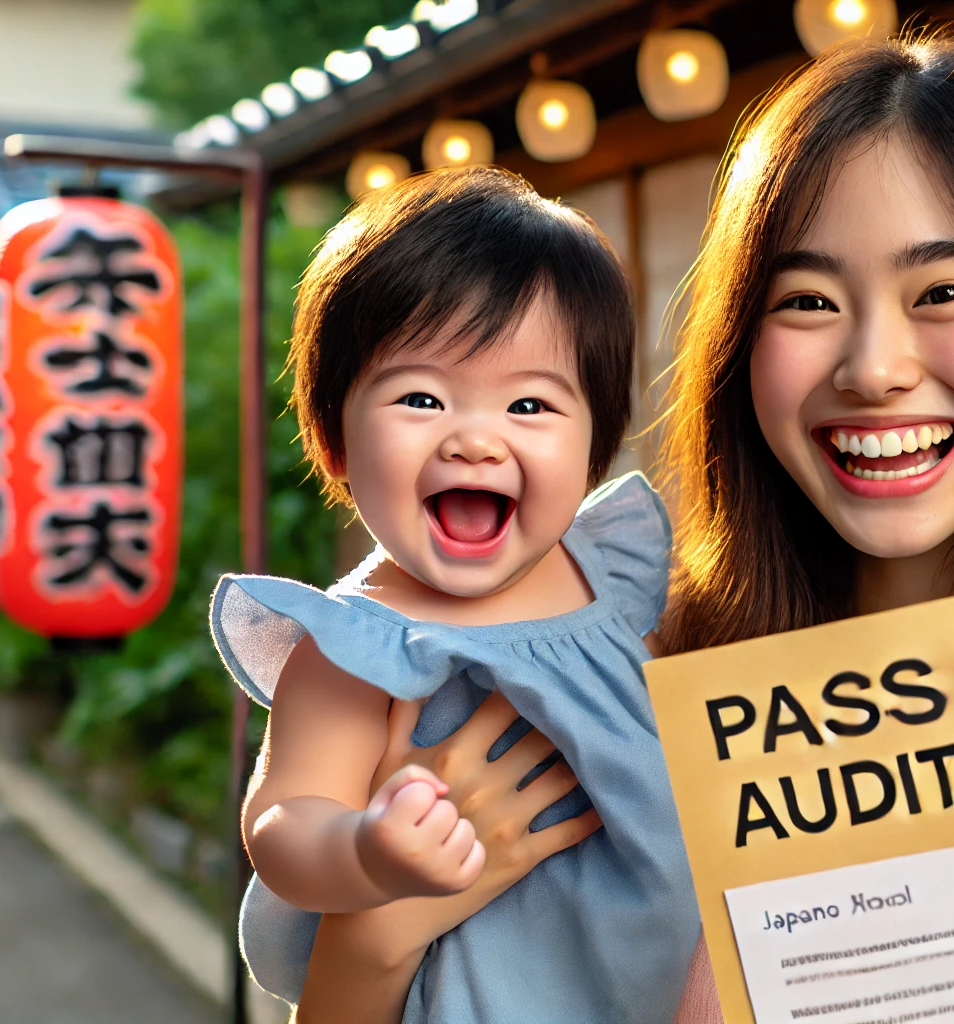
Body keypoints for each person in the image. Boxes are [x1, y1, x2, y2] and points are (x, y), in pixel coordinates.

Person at [261, 32, 954, 1024]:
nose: (873, 367)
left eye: (948, 289)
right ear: (738, 350)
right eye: (808, 302)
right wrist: (381, 923)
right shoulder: (614, 683)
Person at [208, 166, 700, 1023]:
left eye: (531, 404)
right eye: (422, 397)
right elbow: (283, 820)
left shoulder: (613, 579)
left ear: (596, 445)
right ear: (332, 438)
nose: (476, 438)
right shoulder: (363, 645)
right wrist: (367, 852)